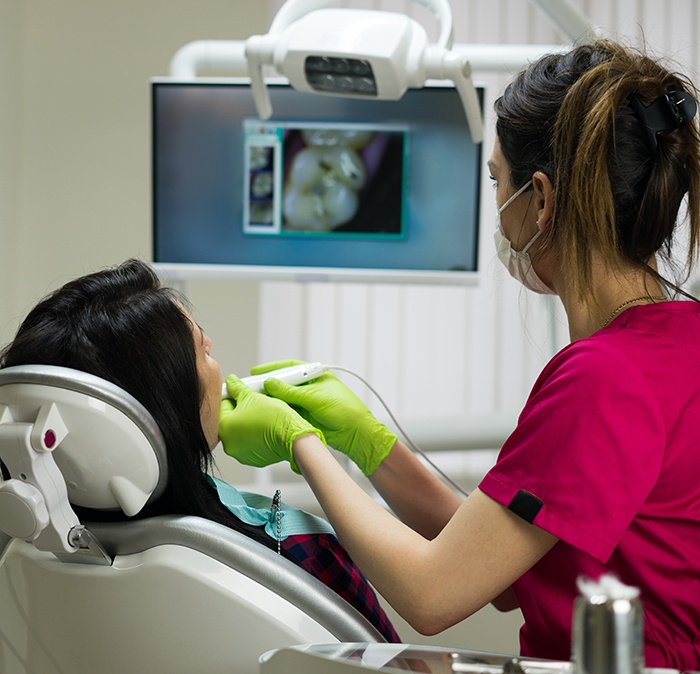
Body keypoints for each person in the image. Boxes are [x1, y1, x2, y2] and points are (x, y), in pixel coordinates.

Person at [218, 39, 700, 670]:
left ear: (542, 200)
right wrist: (369, 443)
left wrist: (301, 443)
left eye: (497, 182)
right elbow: (494, 568)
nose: (497, 209)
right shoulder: (676, 344)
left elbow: (432, 592)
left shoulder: (603, 379)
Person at [0, 259, 400, 643]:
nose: (210, 343)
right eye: (199, 349)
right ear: (171, 406)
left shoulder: (26, 555)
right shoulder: (300, 552)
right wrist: (303, 440)